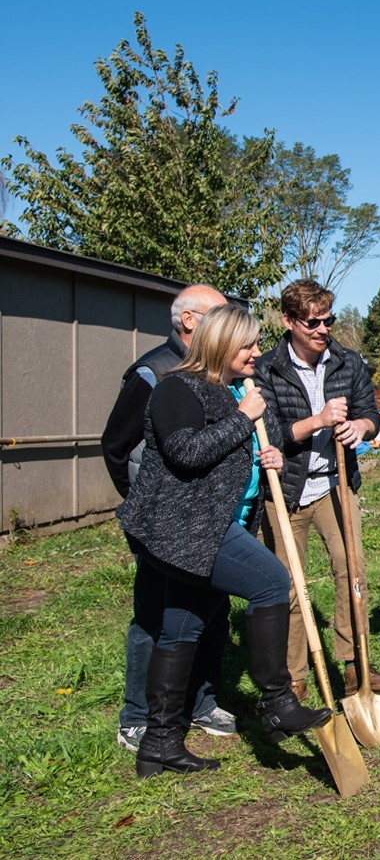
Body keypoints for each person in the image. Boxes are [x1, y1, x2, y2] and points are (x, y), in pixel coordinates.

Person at [116, 305, 331, 777]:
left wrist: (267, 455)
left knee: (182, 626)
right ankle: (277, 700)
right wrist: (241, 419)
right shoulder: (178, 387)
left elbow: (249, 447)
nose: (257, 352)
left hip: (215, 526)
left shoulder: (242, 390)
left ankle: (159, 744)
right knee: (271, 583)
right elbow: (187, 452)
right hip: (183, 529)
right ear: (220, 345)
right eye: (249, 345)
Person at [100, 283, 236, 752]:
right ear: (190, 321)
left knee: (212, 609)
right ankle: (136, 716)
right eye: (220, 313)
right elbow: (116, 446)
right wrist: (149, 508)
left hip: (211, 519)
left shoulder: (220, 375)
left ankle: (200, 702)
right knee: (154, 614)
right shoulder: (153, 373)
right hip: (163, 524)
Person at [255, 279, 380, 701]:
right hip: (286, 488)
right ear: (288, 321)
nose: (322, 329)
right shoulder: (268, 367)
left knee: (351, 570)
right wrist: (318, 420)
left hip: (335, 483)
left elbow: (370, 412)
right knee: (288, 583)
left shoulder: (347, 362)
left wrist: (361, 426)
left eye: (328, 320)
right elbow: (271, 434)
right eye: (312, 322)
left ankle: (355, 666)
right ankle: (294, 675)